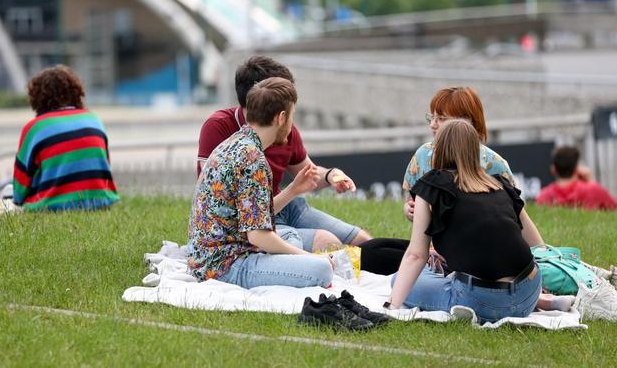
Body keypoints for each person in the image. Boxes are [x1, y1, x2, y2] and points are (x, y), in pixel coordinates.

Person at [197, 56, 372, 252]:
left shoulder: (285, 128)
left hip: (287, 206)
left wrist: (331, 175)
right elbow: (215, 197)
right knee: (328, 243)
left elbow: (308, 172)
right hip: (248, 223)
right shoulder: (224, 131)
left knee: (364, 241)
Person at [386, 119, 542, 323]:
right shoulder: (500, 184)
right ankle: (544, 301)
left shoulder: (432, 185)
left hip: (480, 302)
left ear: (438, 149)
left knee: (398, 279)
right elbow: (538, 245)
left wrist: (391, 308)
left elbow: (416, 255)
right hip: (528, 294)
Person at [187, 77, 333, 289]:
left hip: (204, 257)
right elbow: (258, 236)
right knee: (321, 270)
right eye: (292, 116)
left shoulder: (236, 143)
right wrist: (309, 258)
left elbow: (253, 216)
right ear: (281, 117)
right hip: (225, 266)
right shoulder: (253, 160)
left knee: (289, 234)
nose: (292, 125)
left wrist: (293, 189)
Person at [12, 65, 119, 211]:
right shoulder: (94, 120)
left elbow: (19, 192)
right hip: (100, 204)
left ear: (37, 98)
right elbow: (103, 167)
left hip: (52, 207)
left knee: (4, 196)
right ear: (76, 92)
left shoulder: (35, 128)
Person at [537, 146, 617, 210]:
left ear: (553, 170)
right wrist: (591, 181)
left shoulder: (544, 195)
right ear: (576, 169)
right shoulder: (593, 190)